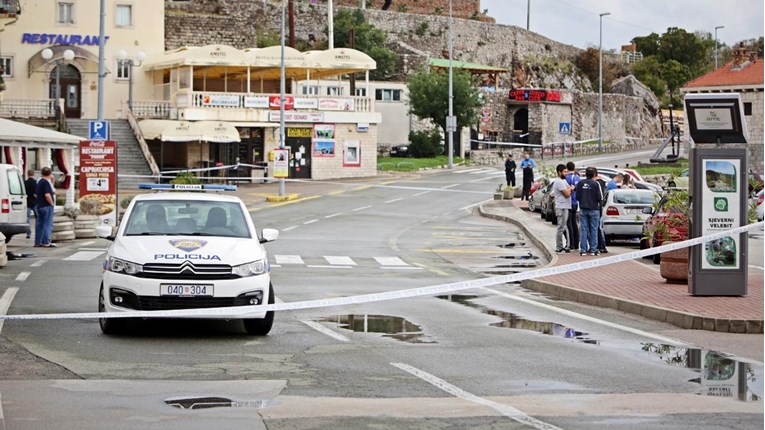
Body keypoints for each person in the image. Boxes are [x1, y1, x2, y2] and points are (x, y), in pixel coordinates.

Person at [575, 167, 603, 256]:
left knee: (583, 229)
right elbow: (600, 198)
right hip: (594, 209)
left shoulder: (580, 183)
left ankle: (583, 250)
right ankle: (593, 250)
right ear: (594, 175)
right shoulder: (596, 184)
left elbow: (577, 197)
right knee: (594, 229)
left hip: (583, 208)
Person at [552, 164, 573, 253]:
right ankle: (560, 246)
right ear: (559, 172)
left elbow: (570, 188)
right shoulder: (559, 182)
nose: (566, 173)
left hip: (565, 206)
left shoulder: (563, 181)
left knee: (564, 226)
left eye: (566, 171)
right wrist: (570, 189)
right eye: (564, 171)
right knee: (562, 227)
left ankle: (566, 245)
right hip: (561, 207)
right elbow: (567, 193)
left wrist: (569, 189)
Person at [34, 166, 56, 248]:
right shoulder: (46, 183)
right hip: (47, 206)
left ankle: (37, 241)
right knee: (47, 224)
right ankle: (46, 241)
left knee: (40, 224)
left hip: (39, 205)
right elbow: (47, 194)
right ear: (50, 174)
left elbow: (35, 194)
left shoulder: (39, 182)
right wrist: (51, 203)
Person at [565, 162, 580, 252]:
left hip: (568, 202)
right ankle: (576, 243)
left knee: (568, 223)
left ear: (567, 168)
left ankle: (571, 243)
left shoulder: (566, 178)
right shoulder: (577, 177)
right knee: (574, 223)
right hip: (575, 202)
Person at [24, 169, 37, 239]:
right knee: (38, 218)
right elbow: (36, 193)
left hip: (28, 201)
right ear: (34, 174)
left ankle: (28, 233)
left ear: (28, 174)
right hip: (35, 202)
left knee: (27, 218)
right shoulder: (36, 183)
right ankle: (38, 231)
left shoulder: (25, 182)